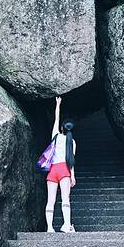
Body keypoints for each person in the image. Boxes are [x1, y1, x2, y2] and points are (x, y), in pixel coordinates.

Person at [45, 96, 77, 233]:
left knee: (50, 200)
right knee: (65, 199)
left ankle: (50, 228)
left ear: (62, 128)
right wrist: (73, 176)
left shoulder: (56, 135)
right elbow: (71, 161)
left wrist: (58, 104)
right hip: (65, 170)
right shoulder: (72, 143)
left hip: (53, 170)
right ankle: (66, 225)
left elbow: (56, 120)